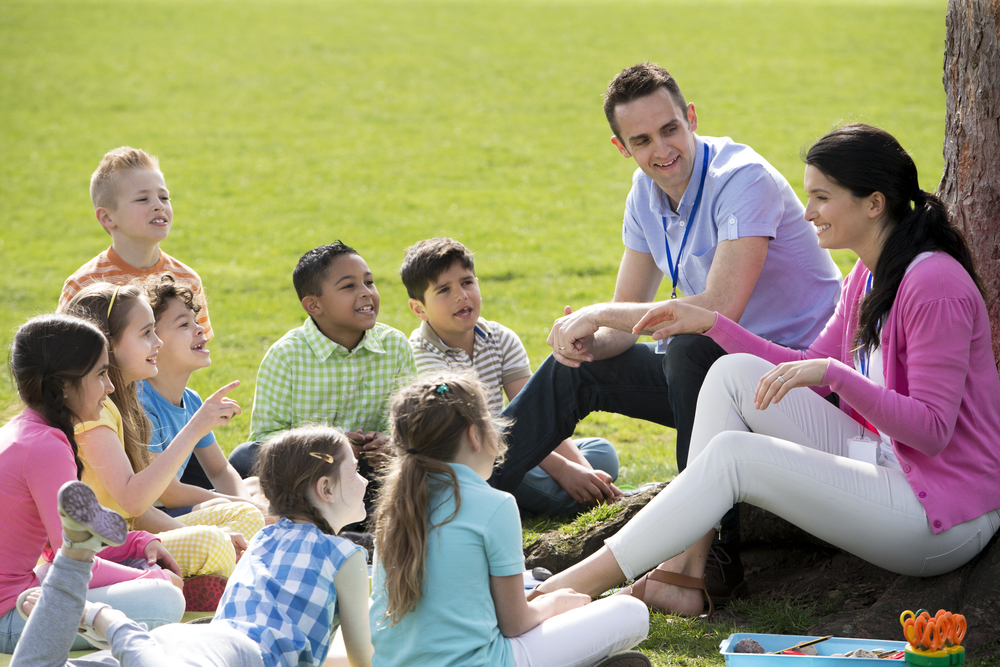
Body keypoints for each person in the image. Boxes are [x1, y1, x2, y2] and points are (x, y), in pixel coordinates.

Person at [530, 123, 1000, 618]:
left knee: (737, 454)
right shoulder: (865, 275)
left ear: (874, 203)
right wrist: (711, 323)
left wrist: (835, 376)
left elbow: (931, 431)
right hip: (885, 465)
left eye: (821, 196)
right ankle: (684, 574)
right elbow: (797, 366)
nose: (807, 212)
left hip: (941, 517)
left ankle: (567, 589)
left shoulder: (933, 284)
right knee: (733, 375)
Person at [494, 62, 842, 601]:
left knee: (689, 343)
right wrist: (586, 340)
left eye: (670, 129)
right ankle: (451, 506)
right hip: (715, 377)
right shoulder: (644, 192)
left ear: (692, 119)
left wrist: (597, 312)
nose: (661, 149)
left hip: (797, 386)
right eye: (642, 140)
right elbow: (623, 330)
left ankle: (709, 556)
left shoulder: (741, 178)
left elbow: (718, 309)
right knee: (581, 370)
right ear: (622, 147)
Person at [13, 426, 374, 667]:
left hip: (199, 642)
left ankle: (72, 571)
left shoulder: (265, 537)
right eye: (355, 470)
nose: (363, 480)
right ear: (325, 489)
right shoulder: (346, 555)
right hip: (236, 656)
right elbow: (364, 657)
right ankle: (98, 613)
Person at [369, 372, 651, 667]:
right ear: (474, 435)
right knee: (631, 612)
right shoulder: (495, 505)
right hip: (487, 661)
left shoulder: (392, 509)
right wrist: (554, 603)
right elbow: (515, 624)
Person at [62, 283, 264, 593]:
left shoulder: (123, 401)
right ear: (108, 344)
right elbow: (138, 502)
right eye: (146, 334)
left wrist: (227, 517)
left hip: (135, 537)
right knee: (216, 543)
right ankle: (202, 585)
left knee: (246, 515)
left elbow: (142, 510)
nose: (156, 342)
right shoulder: (98, 414)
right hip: (109, 549)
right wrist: (195, 427)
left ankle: (205, 582)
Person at [0, 314, 184, 654]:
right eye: (101, 374)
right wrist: (150, 579)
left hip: (21, 594)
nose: (111, 387)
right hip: (12, 617)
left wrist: (137, 544)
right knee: (166, 599)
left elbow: (69, 547)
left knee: (146, 578)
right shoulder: (45, 447)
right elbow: (70, 560)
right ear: (64, 385)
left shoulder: (25, 431)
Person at [401, 237, 622, 515]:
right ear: (418, 309)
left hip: (510, 447)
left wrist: (582, 471)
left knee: (602, 451)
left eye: (467, 282)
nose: (461, 295)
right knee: (530, 475)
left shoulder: (501, 338)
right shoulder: (421, 355)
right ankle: (528, 501)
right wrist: (564, 470)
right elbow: (475, 438)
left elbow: (540, 413)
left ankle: (532, 499)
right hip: (465, 463)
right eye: (444, 290)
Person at [59, 145, 217, 492]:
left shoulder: (185, 278)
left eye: (164, 196)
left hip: (166, 426)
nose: (159, 205)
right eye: (142, 199)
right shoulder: (85, 285)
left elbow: (192, 350)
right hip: (106, 431)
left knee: (224, 484)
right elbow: (65, 370)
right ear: (106, 217)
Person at [229, 242, 417, 521]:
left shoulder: (395, 345)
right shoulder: (286, 355)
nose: (366, 292)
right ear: (313, 305)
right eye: (348, 286)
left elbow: (408, 423)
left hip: (367, 475)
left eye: (369, 282)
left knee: (420, 462)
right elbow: (265, 439)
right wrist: (325, 448)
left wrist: (390, 443)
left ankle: (370, 528)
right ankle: (319, 524)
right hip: (307, 476)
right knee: (244, 458)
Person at [138, 274, 259, 514]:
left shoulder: (191, 399)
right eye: (184, 324)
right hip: (150, 519)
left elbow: (219, 470)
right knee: (231, 508)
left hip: (175, 508)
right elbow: (168, 493)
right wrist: (244, 507)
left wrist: (251, 507)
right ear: (152, 341)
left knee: (256, 485)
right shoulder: (140, 404)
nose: (199, 328)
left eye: (195, 320)